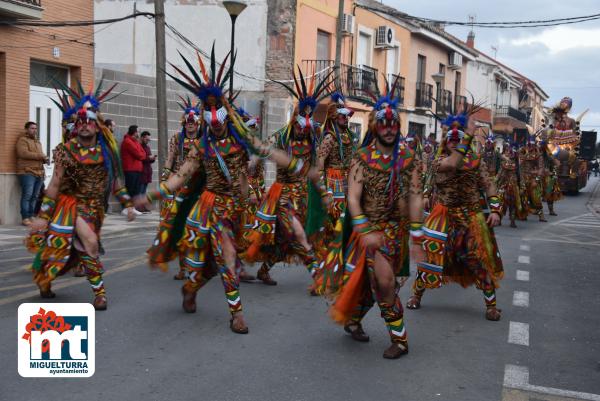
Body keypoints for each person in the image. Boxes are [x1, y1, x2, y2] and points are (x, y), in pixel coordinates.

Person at [136, 47, 310, 333]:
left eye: (218, 109)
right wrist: (152, 195)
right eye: (208, 111)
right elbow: (179, 178)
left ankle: (235, 313)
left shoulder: (241, 143)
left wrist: (280, 176)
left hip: (233, 210)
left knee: (225, 261)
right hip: (205, 209)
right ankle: (194, 290)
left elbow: (258, 159)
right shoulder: (200, 147)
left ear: (227, 113)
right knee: (198, 265)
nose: (214, 118)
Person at [326, 79, 424, 359]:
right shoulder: (361, 158)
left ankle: (354, 319)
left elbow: (416, 196)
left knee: (382, 284)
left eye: (394, 123)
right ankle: (400, 340)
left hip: (398, 232)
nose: (390, 128)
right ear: (374, 125)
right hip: (372, 233)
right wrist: (365, 230)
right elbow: (353, 199)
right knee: (384, 282)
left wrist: (417, 235)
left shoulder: (409, 158)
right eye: (384, 123)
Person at [26, 82, 137, 310]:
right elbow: (55, 182)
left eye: (89, 122)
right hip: (70, 204)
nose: (84, 125)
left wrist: (127, 203)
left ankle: (45, 279)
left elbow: (114, 180)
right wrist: (44, 215)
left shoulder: (107, 151)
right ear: (76, 126)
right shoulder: (65, 150)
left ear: (97, 126)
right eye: (80, 122)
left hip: (95, 208)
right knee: (89, 243)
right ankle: (100, 294)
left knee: (75, 248)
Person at [406, 110, 504, 322]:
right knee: (430, 257)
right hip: (443, 215)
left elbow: (490, 187)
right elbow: (447, 168)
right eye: (451, 139)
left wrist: (495, 209)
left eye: (458, 139)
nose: (454, 142)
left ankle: (491, 305)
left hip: (471, 216)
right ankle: (416, 295)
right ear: (445, 141)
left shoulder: (477, 161)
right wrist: (425, 196)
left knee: (478, 259)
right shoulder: (438, 160)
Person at [243, 66, 332, 286]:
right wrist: (253, 161)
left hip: (302, 196)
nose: (304, 128)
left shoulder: (313, 139)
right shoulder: (283, 135)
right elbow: (265, 148)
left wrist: (323, 192)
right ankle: (318, 277)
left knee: (286, 240)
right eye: (302, 122)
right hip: (281, 195)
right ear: (295, 118)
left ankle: (264, 270)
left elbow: (315, 169)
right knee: (298, 234)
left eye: (308, 123)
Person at [148, 97, 204, 280]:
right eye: (187, 122)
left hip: (196, 187)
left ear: (198, 124)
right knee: (177, 226)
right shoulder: (176, 139)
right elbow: (170, 158)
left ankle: (200, 263)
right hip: (177, 184)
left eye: (193, 122)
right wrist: (165, 177)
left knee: (196, 227)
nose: (190, 125)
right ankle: (182, 267)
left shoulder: (204, 141)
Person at [311, 92, 357, 295]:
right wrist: (324, 192)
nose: (346, 119)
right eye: (342, 116)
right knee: (331, 234)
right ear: (333, 118)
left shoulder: (350, 136)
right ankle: (321, 278)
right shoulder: (329, 138)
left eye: (347, 116)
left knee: (345, 233)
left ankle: (340, 275)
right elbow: (320, 164)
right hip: (333, 185)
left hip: (348, 185)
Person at [16, 122, 48, 226]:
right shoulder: (22, 140)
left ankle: (31, 216)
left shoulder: (38, 142)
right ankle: (25, 217)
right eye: (32, 128)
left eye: (35, 128)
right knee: (27, 195)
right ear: (26, 129)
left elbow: (40, 156)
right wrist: (41, 156)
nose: (34, 130)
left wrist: (45, 159)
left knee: (35, 196)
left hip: (39, 172)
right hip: (27, 171)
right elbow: (23, 153)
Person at [497, 142, 527, 227]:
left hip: (513, 186)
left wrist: (522, 187)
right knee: (501, 203)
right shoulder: (504, 163)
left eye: (513, 152)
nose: (511, 154)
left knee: (513, 204)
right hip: (504, 185)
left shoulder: (518, 165)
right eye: (510, 152)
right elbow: (500, 174)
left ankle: (512, 220)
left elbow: (521, 176)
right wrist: (496, 183)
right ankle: (499, 219)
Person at [519, 135, 547, 222]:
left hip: (532, 178)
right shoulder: (521, 153)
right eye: (528, 144)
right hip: (522, 178)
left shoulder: (538, 155)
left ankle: (541, 215)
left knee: (536, 197)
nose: (529, 146)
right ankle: (523, 214)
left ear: (534, 145)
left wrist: (537, 180)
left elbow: (541, 168)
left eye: (531, 145)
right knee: (522, 196)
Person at [120, 125, 146, 215]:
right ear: (134, 132)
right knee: (130, 190)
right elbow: (139, 155)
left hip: (137, 169)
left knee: (136, 190)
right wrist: (141, 155)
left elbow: (143, 154)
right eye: (138, 131)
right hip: (130, 169)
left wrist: (141, 155)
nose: (139, 133)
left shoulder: (136, 142)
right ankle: (125, 208)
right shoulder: (127, 141)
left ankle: (132, 207)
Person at [139, 131, 156, 199]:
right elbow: (140, 158)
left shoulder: (147, 147)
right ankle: (138, 207)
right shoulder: (139, 146)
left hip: (147, 172)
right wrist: (149, 158)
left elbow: (148, 159)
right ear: (142, 138)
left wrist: (152, 158)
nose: (148, 141)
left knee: (144, 191)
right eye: (146, 139)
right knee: (140, 191)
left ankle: (142, 206)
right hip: (141, 172)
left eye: (149, 140)